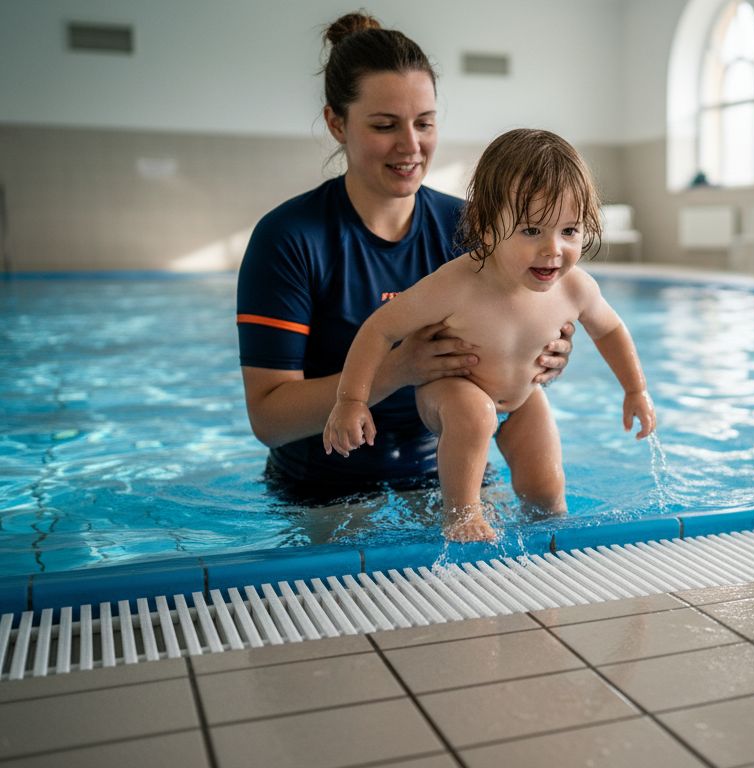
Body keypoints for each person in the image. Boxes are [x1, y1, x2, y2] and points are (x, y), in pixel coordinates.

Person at [236, 12, 573, 500]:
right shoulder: (289, 239)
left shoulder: (474, 229)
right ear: (336, 123)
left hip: (453, 476)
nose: (410, 145)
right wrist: (397, 369)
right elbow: (268, 418)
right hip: (326, 486)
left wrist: (547, 353)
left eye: (425, 123)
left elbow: (517, 358)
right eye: (384, 125)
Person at [323, 128, 657, 542]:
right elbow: (380, 327)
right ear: (484, 225)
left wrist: (635, 390)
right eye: (532, 231)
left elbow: (611, 331)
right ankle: (461, 513)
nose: (553, 249)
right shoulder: (457, 284)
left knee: (547, 487)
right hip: (449, 390)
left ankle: (548, 528)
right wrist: (351, 400)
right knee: (475, 413)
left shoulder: (575, 288)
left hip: (521, 397)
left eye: (569, 231)